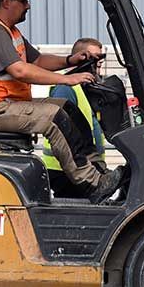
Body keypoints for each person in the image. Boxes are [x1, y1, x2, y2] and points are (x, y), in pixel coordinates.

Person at [0, 0, 121, 203]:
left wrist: (71, 60)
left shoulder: (10, 32)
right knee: (54, 117)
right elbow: (20, 71)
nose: (28, 6)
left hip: (6, 104)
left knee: (69, 110)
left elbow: (38, 60)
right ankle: (91, 184)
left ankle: (98, 172)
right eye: (24, 1)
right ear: (6, 2)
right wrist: (67, 80)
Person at [43, 37, 108, 191]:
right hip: (68, 171)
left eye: (99, 64)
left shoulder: (86, 88)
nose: (97, 69)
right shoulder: (66, 89)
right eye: (93, 62)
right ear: (80, 59)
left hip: (85, 166)